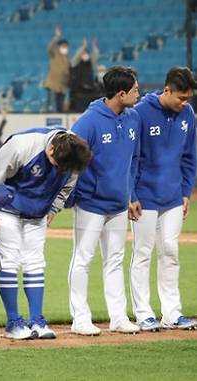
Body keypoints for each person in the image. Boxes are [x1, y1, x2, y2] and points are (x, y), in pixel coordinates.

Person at [0, 127, 91, 340]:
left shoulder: (73, 155)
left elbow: (67, 188)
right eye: (56, 164)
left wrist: (53, 209)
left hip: (37, 214)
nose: (60, 169)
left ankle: (37, 320)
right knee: (9, 262)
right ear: (51, 148)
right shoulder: (22, 145)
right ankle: (13, 322)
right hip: (6, 210)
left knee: (35, 262)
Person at [67, 66, 142, 336]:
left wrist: (131, 194)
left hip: (119, 204)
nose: (138, 93)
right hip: (90, 203)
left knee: (115, 260)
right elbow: (70, 161)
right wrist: (70, 198)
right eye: (134, 90)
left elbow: (134, 160)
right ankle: (80, 317)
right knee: (83, 258)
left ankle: (118, 317)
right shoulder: (88, 121)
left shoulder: (133, 119)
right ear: (120, 94)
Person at [129, 67, 197, 331]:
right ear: (167, 90)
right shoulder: (140, 112)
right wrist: (131, 194)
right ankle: (144, 313)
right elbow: (131, 157)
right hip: (144, 197)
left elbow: (190, 157)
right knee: (143, 253)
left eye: (188, 98)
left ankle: (172, 313)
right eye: (181, 97)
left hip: (173, 197)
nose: (185, 103)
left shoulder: (188, 114)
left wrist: (185, 191)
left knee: (170, 253)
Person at [69, 38, 101, 113]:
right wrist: (83, 47)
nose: (85, 55)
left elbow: (95, 56)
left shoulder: (91, 63)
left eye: (86, 53)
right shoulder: (76, 63)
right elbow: (76, 57)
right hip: (79, 90)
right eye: (83, 54)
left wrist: (94, 46)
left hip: (90, 89)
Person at [44, 26, 70, 112]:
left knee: (60, 109)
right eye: (63, 46)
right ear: (59, 47)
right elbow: (49, 47)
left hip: (62, 87)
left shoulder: (67, 58)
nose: (65, 48)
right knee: (52, 107)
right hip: (52, 84)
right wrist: (56, 37)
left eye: (66, 46)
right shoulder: (55, 54)